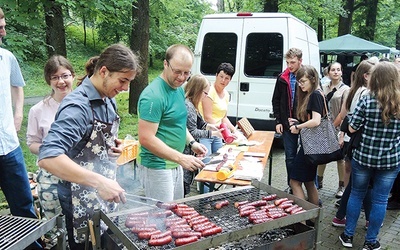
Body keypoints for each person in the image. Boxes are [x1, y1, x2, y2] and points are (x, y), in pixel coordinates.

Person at [38, 44, 140, 249]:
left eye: (129, 82)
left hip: (104, 196)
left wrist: (111, 147)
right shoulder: (77, 107)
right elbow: (48, 156)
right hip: (80, 200)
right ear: (104, 72)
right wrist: (99, 181)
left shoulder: (107, 99)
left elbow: (92, 140)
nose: (125, 88)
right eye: (123, 80)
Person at [339, 62, 400, 250]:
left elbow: (351, 127)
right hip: (390, 160)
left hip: (364, 157)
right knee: (380, 200)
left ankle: (348, 236)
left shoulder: (367, 99)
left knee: (356, 195)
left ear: (375, 78)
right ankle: (371, 241)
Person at [137, 44, 207, 202]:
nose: (182, 78)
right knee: (160, 217)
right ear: (165, 64)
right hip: (157, 165)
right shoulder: (153, 95)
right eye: (177, 71)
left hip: (175, 163)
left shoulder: (179, 90)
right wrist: (182, 158)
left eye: (186, 73)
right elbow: (146, 139)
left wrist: (192, 142)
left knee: (174, 213)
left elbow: (179, 123)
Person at [0, 7, 43, 249]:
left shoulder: (7, 58)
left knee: (24, 205)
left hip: (9, 145)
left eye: (4, 26)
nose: (4, 32)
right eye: (0, 28)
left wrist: (18, 113)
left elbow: (18, 85)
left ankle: (33, 246)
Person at [27, 55, 74, 221]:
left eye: (65, 76)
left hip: (79, 173)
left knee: (81, 225)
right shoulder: (38, 110)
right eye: (55, 77)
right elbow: (32, 143)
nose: (61, 82)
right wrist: (50, 150)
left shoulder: (85, 105)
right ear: (49, 81)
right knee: (56, 226)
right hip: (50, 176)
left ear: (72, 76)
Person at [331, 60, 374, 228]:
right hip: (359, 142)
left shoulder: (351, 91)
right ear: (366, 76)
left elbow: (343, 115)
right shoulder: (365, 94)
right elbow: (351, 119)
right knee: (362, 184)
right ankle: (346, 216)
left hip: (351, 140)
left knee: (358, 182)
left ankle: (343, 215)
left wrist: (341, 133)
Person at [288, 65, 324, 209]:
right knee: (309, 181)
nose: (300, 84)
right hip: (314, 145)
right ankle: (313, 218)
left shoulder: (315, 94)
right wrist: (300, 122)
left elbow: (316, 120)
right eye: (299, 81)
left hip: (310, 146)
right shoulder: (317, 93)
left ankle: (301, 220)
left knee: (294, 182)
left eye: (303, 81)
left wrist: (298, 127)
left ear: (313, 79)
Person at [198, 62, 236, 193]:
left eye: (227, 78)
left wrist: (234, 130)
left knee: (220, 165)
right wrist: (224, 131)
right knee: (208, 167)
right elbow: (208, 117)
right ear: (216, 75)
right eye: (221, 76)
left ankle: (212, 196)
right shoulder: (209, 92)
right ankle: (204, 198)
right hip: (206, 134)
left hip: (219, 134)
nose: (223, 80)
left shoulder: (226, 94)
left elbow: (224, 117)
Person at [183, 74, 222, 196]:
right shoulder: (188, 106)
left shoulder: (193, 104)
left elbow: (200, 123)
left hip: (190, 153)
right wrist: (212, 133)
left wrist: (209, 126)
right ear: (198, 90)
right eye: (205, 93)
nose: (206, 97)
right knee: (183, 186)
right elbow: (192, 131)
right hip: (185, 153)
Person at [272, 48, 303, 193]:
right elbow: (275, 101)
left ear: (300, 61)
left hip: (304, 124)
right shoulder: (282, 77)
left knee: (309, 156)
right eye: (288, 62)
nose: (290, 65)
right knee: (290, 157)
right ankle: (292, 186)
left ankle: (311, 187)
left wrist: (303, 121)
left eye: (293, 62)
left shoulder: (308, 75)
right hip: (287, 124)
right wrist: (279, 121)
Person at [317, 62, 350, 198]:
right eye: (333, 70)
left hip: (338, 127)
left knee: (340, 158)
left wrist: (337, 129)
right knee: (321, 155)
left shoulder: (346, 89)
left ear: (342, 72)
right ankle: (319, 180)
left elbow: (345, 111)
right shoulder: (323, 87)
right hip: (323, 126)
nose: (336, 72)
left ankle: (341, 186)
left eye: (338, 69)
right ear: (328, 72)